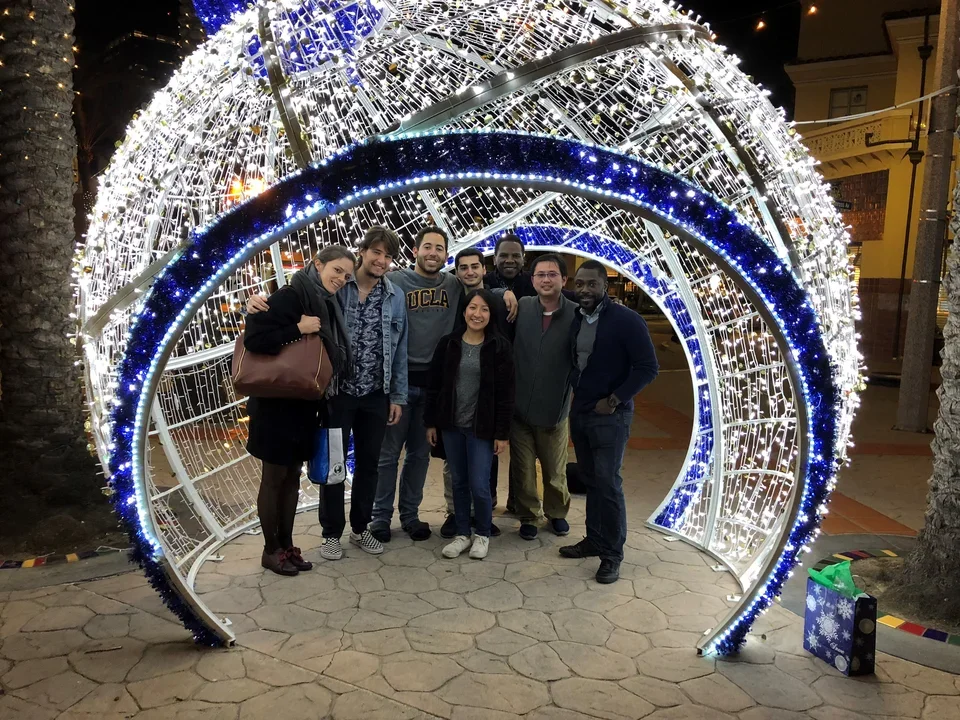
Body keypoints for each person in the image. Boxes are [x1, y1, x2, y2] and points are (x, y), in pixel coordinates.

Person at [246, 228, 410, 562]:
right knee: (333, 464)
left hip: (376, 392)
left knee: (369, 465)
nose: (381, 260)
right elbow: (298, 293)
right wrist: (256, 302)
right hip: (337, 393)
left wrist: (397, 395)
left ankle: (361, 528)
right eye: (376, 252)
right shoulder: (336, 290)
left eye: (388, 255)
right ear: (362, 251)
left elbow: (400, 347)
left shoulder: (395, 296)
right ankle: (331, 533)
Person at [243, 246, 356, 576]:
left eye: (346, 276)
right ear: (317, 264)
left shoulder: (326, 302)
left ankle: (287, 545)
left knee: (292, 477)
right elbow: (255, 339)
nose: (340, 279)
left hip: (304, 404)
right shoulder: (293, 296)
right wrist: (298, 328)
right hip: (275, 404)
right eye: (336, 270)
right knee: (274, 477)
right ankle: (270, 549)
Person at [559, 260, 659, 584]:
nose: (585, 290)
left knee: (608, 482)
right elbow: (578, 360)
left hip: (611, 415)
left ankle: (612, 554)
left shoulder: (627, 320)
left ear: (605, 285)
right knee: (591, 479)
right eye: (581, 284)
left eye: (592, 284)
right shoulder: (577, 317)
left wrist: (614, 399)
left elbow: (648, 367)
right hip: (583, 411)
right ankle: (594, 540)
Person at [368, 226, 463, 542]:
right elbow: (355, 286)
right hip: (399, 384)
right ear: (415, 251)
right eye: (427, 247)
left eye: (439, 248)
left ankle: (410, 515)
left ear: (445, 255)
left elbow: (482, 289)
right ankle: (379, 518)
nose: (433, 252)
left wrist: (504, 291)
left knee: (420, 456)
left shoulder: (453, 284)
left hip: (433, 388)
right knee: (388, 454)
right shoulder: (394, 281)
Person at [425, 289, 515, 560]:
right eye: (473, 307)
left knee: (479, 484)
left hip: (482, 428)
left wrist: (502, 432)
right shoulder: (448, 343)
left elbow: (506, 394)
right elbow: (434, 386)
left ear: (492, 314)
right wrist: (431, 422)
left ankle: (483, 534)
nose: (477, 314)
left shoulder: (499, 346)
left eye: (484, 309)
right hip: (452, 425)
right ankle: (462, 533)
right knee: (459, 482)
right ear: (464, 311)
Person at [502, 253, 577, 541]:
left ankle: (557, 513)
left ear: (563, 279)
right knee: (522, 470)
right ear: (532, 280)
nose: (546, 279)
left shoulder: (575, 314)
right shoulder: (522, 307)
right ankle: (529, 516)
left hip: (554, 410)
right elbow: (487, 297)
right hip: (519, 409)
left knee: (555, 470)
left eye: (552, 274)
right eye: (540, 275)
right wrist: (503, 291)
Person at [440, 248, 505, 538]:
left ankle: (483, 519)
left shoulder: (496, 300)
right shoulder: (450, 295)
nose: (469, 272)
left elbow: (506, 388)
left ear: (484, 269)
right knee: (455, 473)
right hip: (452, 412)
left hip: (484, 416)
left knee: (481, 476)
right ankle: (457, 517)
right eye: (463, 267)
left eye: (474, 266)